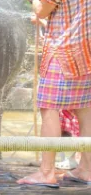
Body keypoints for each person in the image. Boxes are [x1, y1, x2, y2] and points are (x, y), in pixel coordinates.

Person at [17, 0, 91, 188]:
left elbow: (42, 11)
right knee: (85, 110)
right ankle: (86, 169)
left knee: (49, 109)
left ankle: (46, 172)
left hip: (62, 55)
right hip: (88, 55)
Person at [31, 15, 81, 170]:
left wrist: (35, 4)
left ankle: (71, 159)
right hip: (76, 68)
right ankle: (75, 160)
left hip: (68, 69)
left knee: (69, 119)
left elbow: (65, 34)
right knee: (70, 119)